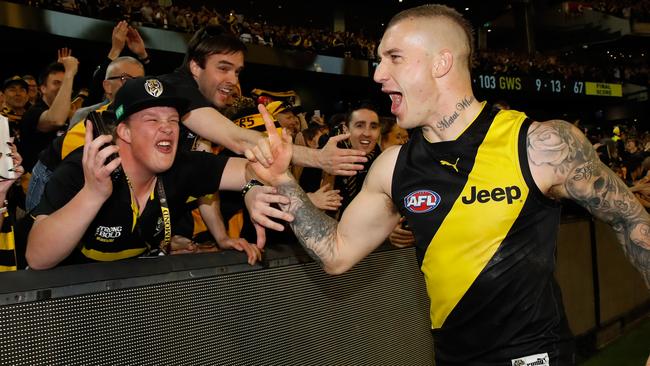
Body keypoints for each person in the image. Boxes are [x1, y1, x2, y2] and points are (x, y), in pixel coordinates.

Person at [248, 5, 650, 365]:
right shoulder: (394, 167)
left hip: (534, 355)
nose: (379, 74)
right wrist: (283, 181)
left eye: (394, 58)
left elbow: (632, 221)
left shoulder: (539, 144)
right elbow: (336, 254)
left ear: (441, 62)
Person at [25, 77, 289, 269]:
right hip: (68, 298)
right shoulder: (85, 167)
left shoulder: (181, 166)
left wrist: (251, 190)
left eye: (173, 120)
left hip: (133, 294)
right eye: (152, 120)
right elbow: (37, 257)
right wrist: (93, 194)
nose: (167, 129)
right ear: (124, 132)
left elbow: (247, 169)